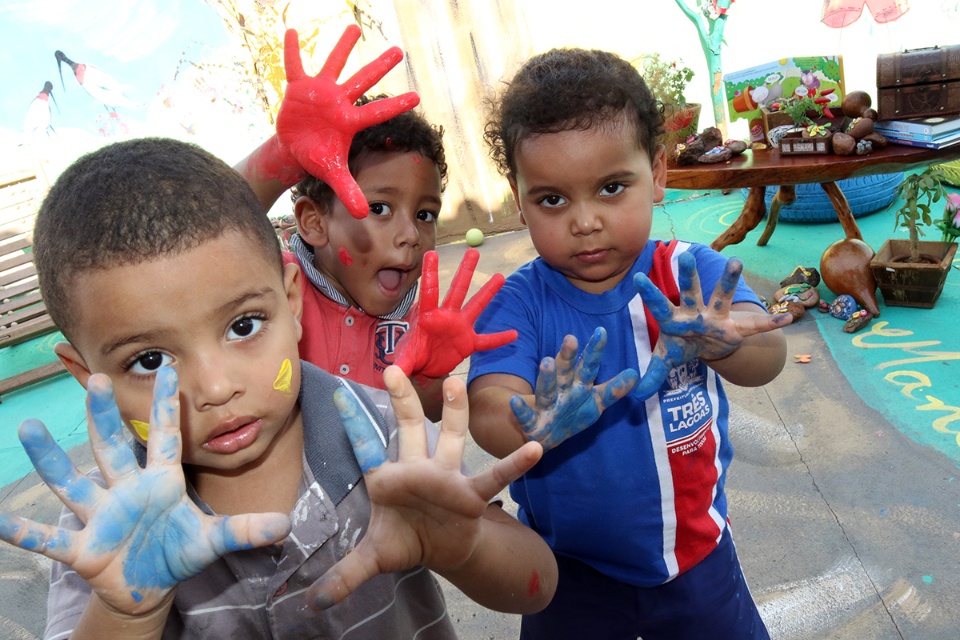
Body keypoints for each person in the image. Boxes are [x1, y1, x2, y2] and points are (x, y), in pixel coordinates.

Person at [0, 137, 557, 639]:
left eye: (243, 326)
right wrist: (126, 614)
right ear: (87, 377)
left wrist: (465, 548)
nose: (215, 388)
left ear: (292, 303)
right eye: (149, 360)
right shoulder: (107, 522)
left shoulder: (380, 433)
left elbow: (536, 588)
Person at [466, 47, 793, 640]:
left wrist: (725, 345)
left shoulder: (690, 274)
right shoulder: (516, 302)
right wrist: (530, 420)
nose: (584, 220)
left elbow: (767, 356)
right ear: (519, 199)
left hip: (695, 561)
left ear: (659, 173)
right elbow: (488, 407)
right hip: (567, 575)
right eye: (553, 199)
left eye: (612, 187)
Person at [236, 26, 513, 421]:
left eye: (424, 214)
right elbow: (201, 229)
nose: (411, 235)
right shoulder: (276, 286)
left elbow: (426, 413)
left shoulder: (414, 321)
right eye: (380, 208)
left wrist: (430, 371)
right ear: (314, 223)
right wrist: (282, 155)